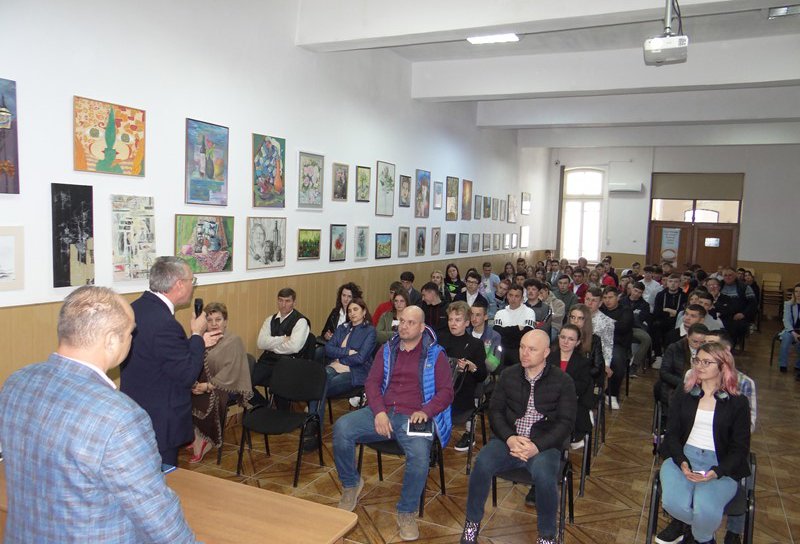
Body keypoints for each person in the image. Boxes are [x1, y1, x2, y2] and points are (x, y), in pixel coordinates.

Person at [0, 286, 197, 543]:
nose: (132, 338)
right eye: (130, 333)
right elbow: (156, 516)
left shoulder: (16, 383)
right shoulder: (120, 416)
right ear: (112, 341)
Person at [333, 306, 454, 541]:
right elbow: (372, 382)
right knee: (342, 428)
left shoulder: (435, 354)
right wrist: (378, 412)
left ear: (421, 327)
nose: (404, 326)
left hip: (414, 417)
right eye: (401, 321)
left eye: (411, 322)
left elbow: (446, 392)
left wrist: (426, 411)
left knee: (419, 457)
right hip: (384, 412)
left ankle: (406, 511)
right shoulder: (387, 349)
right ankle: (351, 484)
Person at [459, 330, 576, 544]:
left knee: (544, 476)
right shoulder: (509, 375)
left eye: (532, 349)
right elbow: (495, 412)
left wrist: (537, 446)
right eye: (522, 347)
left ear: (546, 352)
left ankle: (547, 536)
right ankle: (471, 524)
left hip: (543, 446)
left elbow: (566, 423)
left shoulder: (563, 381)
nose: (524, 353)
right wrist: (510, 438)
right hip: (508, 441)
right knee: (482, 463)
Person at [122, 256, 220, 466]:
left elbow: (161, 355)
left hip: (135, 411)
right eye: (192, 281)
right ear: (179, 284)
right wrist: (196, 334)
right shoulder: (165, 323)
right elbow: (186, 375)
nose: (192, 287)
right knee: (161, 479)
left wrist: (197, 342)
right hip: (160, 419)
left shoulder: (133, 309)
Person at [655, 342, 751, 544]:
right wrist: (681, 461)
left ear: (723, 366)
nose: (700, 366)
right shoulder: (684, 392)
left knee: (705, 508)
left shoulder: (738, 402)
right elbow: (671, 434)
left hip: (719, 463)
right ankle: (705, 538)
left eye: (707, 362)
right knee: (673, 503)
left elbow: (739, 448)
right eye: (697, 360)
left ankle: (700, 538)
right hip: (683, 457)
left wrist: (717, 471)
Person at [306, 298, 377, 449]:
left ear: (364, 311)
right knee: (319, 381)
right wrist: (347, 352)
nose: (352, 313)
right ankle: (314, 424)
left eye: (356, 310)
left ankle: (313, 426)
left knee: (320, 383)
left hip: (355, 372)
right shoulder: (343, 328)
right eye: (350, 311)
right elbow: (328, 348)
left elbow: (361, 358)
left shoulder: (370, 331)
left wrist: (341, 358)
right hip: (334, 368)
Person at [189, 302, 253, 464]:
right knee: (181, 394)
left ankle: (203, 440)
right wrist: (194, 384)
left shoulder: (233, 341)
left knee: (208, 399)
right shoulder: (202, 339)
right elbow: (191, 362)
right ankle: (195, 434)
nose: (214, 324)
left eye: (218, 319)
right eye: (209, 320)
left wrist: (207, 386)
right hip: (201, 384)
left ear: (226, 321)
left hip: (225, 386)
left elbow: (230, 372)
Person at [251, 287, 316, 406]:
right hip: (267, 361)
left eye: (287, 301)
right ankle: (263, 407)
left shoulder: (301, 321)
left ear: (294, 303)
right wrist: (282, 339)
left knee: (279, 389)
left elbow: (294, 347)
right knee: (244, 385)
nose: (283, 305)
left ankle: (282, 416)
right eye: (280, 300)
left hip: (288, 363)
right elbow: (260, 343)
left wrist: (272, 346)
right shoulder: (270, 319)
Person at [438, 301, 487, 452]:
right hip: (440, 390)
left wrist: (472, 367)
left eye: (457, 320)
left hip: (461, 393)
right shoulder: (440, 340)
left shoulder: (475, 344)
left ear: (467, 323)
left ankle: (467, 433)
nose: (453, 323)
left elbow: (482, 375)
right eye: (450, 319)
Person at [547, 324, 594, 450]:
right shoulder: (548, 358)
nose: (565, 342)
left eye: (571, 339)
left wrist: (562, 388)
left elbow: (582, 385)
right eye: (563, 337)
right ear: (558, 337)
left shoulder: (583, 362)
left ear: (577, 342)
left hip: (572, 399)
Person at [654, 323, 710, 409]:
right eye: (695, 341)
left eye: (702, 342)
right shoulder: (674, 348)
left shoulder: (710, 352)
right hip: (676, 386)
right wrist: (685, 383)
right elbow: (664, 373)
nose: (698, 345)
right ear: (687, 336)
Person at [600, 286, 634, 409]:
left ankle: (612, 393)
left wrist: (604, 323)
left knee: (617, 361)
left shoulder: (626, 310)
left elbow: (623, 327)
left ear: (617, 297)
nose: (607, 300)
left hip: (617, 344)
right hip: (600, 343)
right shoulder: (601, 310)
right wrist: (613, 323)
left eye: (610, 297)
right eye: (604, 298)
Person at [493, 284, 536, 368]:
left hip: (520, 349)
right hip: (503, 348)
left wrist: (506, 331)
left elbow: (527, 333)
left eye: (517, 296)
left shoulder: (529, 312)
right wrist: (517, 328)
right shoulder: (500, 313)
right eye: (511, 295)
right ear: (507, 296)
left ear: (522, 298)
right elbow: (497, 332)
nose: (513, 299)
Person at [652, 274, 688, 361]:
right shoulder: (660, 295)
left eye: (676, 282)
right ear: (666, 283)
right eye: (670, 281)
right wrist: (672, 312)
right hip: (662, 320)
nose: (673, 284)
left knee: (675, 332)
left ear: (679, 283)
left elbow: (683, 311)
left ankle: (670, 355)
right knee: (655, 326)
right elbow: (657, 311)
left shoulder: (684, 296)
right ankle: (658, 355)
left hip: (678, 321)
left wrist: (668, 310)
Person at [624, 281, 653, 374]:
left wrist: (630, 315)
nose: (636, 294)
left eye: (639, 292)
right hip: (622, 326)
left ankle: (635, 365)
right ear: (632, 289)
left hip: (635, 328)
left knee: (647, 339)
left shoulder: (644, 305)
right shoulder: (622, 300)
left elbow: (640, 319)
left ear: (642, 293)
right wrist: (634, 314)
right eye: (635, 291)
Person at [469, 303, 502, 374]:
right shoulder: (465, 332)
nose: (474, 318)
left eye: (478, 315)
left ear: (485, 317)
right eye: (472, 314)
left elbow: (492, 365)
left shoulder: (495, 336)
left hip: (483, 374)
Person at [778, 283, 800, 377]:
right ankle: (783, 364)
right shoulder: (788, 304)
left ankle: (798, 365)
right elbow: (786, 320)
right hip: (790, 329)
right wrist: (793, 332)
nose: (798, 294)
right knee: (786, 339)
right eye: (796, 291)